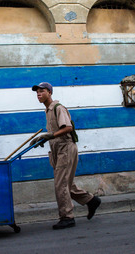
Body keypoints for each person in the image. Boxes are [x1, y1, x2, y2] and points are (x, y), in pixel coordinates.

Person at [30, 82, 101, 230]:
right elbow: (54, 133)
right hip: (57, 149)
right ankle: (91, 200)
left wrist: (50, 135)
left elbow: (68, 127)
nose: (39, 94)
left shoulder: (58, 108)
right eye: (37, 92)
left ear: (50, 92)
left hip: (65, 148)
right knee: (65, 184)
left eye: (42, 91)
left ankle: (67, 217)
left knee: (60, 184)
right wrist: (44, 139)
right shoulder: (48, 110)